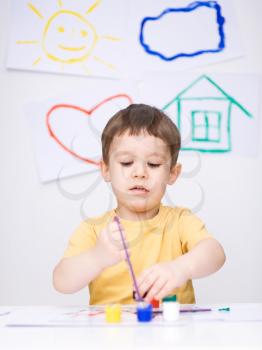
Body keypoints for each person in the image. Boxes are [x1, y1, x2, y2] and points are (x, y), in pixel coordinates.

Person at [53, 104, 226, 305]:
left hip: (173, 333)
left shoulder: (180, 221)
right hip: (110, 333)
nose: (140, 173)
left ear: (172, 173)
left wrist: (181, 268)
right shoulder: (94, 230)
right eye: (126, 162)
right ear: (106, 169)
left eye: (153, 164)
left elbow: (215, 253)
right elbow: (61, 282)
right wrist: (97, 258)